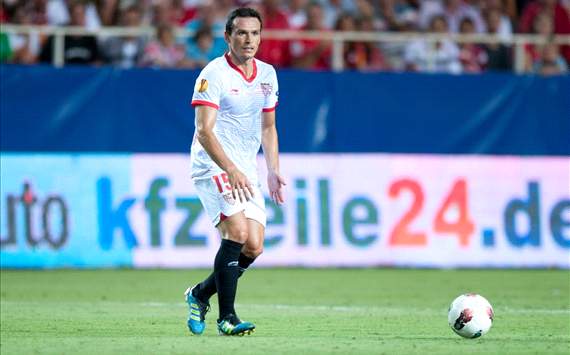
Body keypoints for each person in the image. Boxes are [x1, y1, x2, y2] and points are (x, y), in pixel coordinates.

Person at [184, 7, 286, 336]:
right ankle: (226, 318)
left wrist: (272, 170)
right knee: (237, 234)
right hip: (213, 163)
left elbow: (268, 128)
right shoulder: (213, 74)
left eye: (255, 33)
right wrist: (229, 168)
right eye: (241, 33)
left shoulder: (268, 74)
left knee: (254, 246)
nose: (249, 39)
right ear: (227, 37)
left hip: (245, 168)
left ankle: (200, 294)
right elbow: (204, 131)